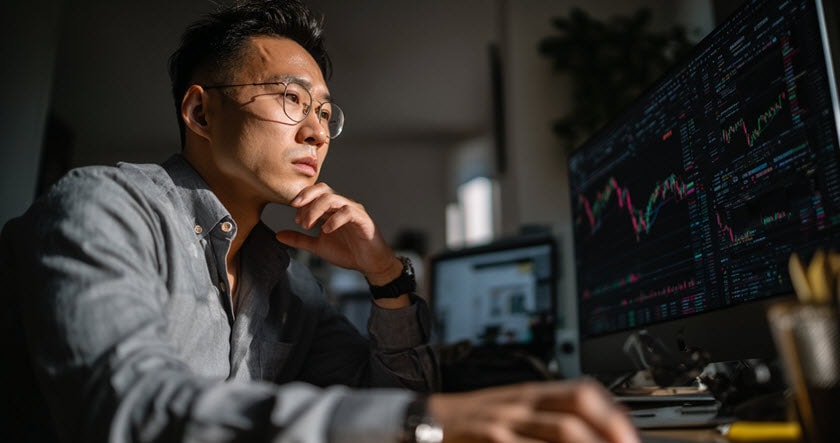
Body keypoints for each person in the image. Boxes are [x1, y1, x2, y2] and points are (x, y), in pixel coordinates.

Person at [0, 0, 640, 442]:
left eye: (324, 111)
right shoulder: (102, 208)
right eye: (289, 99)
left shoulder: (289, 285)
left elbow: (382, 397)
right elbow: (123, 412)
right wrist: (423, 424)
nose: (315, 130)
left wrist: (385, 277)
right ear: (199, 113)